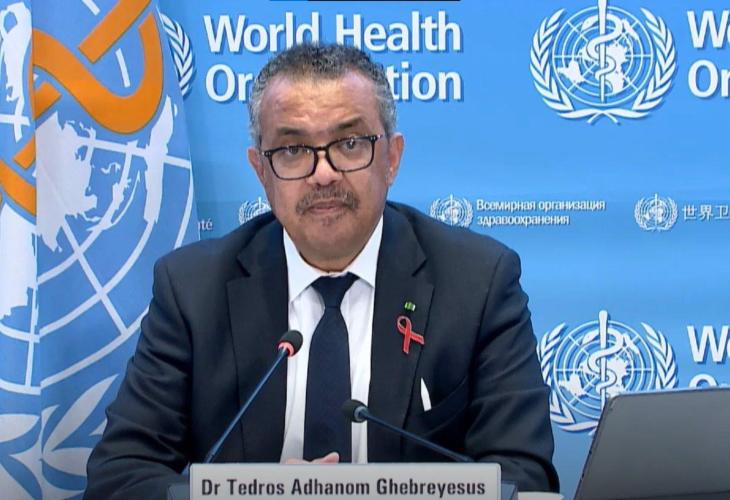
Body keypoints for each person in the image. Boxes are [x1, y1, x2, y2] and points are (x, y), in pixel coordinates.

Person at [85, 43, 559, 498]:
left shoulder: (477, 283)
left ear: (392, 158)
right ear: (261, 171)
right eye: (293, 150)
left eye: (350, 143)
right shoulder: (192, 291)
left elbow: (524, 478)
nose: (324, 173)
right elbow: (120, 477)